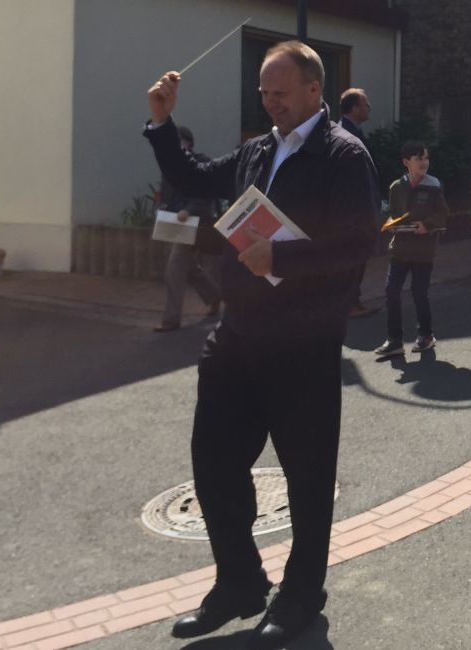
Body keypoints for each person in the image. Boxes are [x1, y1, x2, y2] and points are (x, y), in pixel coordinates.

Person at [144, 41, 379, 648]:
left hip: (302, 341)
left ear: (312, 90)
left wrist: (283, 255)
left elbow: (356, 247)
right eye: (263, 93)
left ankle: (301, 595)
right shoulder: (258, 150)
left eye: (280, 92)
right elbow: (191, 177)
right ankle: (240, 583)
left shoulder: (343, 155)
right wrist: (163, 124)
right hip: (238, 332)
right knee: (214, 462)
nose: (270, 101)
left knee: (306, 476)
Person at [373, 141, 449, 359]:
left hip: (424, 251)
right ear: (407, 162)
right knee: (391, 291)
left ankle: (426, 335)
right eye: (419, 158)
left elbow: (443, 213)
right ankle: (394, 340)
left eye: (426, 158)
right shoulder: (396, 187)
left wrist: (428, 224)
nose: (424, 162)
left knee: (419, 292)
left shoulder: (434, 185)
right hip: (399, 249)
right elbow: (394, 214)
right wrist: (391, 223)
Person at [156, 125, 222, 332]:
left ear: (187, 143)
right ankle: (214, 296)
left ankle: (171, 320)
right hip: (180, 225)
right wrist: (165, 212)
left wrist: (188, 210)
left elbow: (205, 194)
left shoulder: (200, 162)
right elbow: (167, 197)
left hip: (199, 223)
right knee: (190, 267)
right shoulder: (169, 166)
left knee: (174, 268)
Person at [339, 87, 378, 319]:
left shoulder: (350, 130)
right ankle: (350, 302)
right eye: (365, 104)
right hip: (352, 211)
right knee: (354, 256)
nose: (369, 108)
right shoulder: (346, 134)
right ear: (354, 108)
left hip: (354, 208)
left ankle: (351, 299)